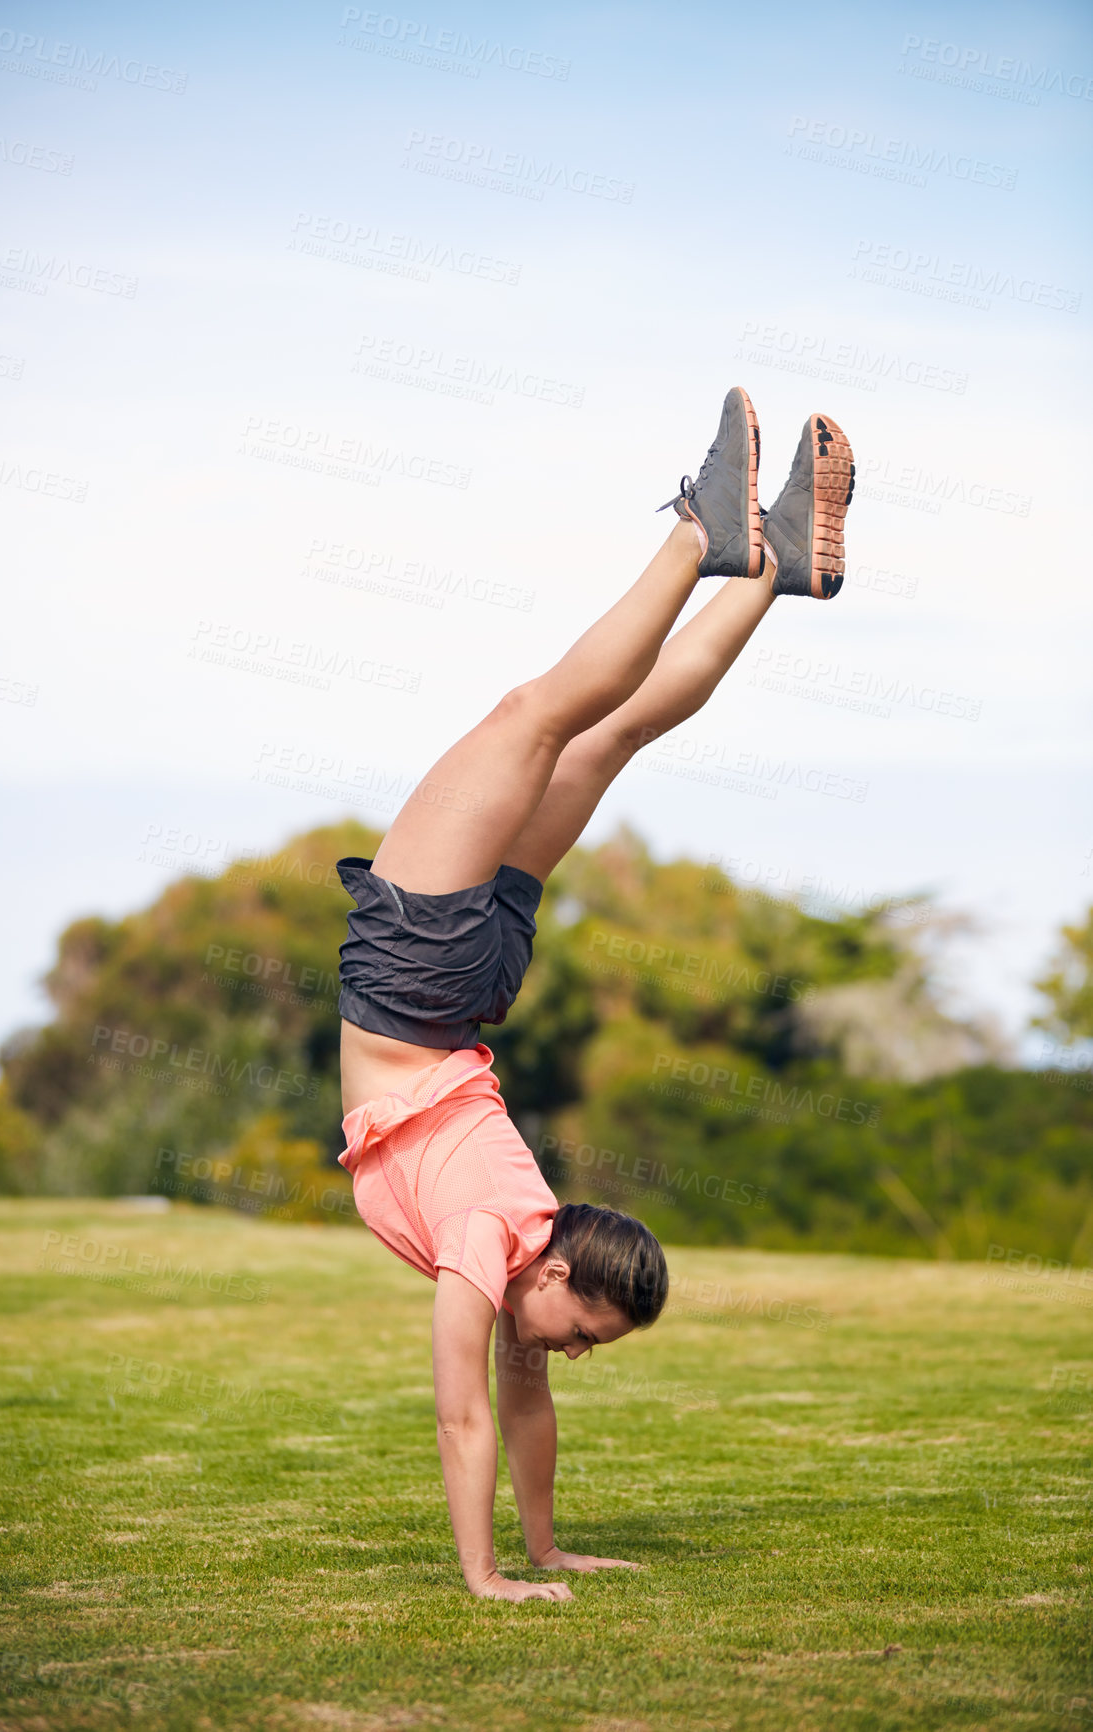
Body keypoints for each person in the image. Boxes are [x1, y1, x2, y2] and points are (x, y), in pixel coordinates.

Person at [334, 388, 855, 1601]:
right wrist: (493, 1577)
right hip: (421, 982)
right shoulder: (491, 1245)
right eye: (573, 1335)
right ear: (559, 1270)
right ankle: (702, 540)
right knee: (545, 717)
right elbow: (466, 1420)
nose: (557, 1353)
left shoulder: (518, 1245)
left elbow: (503, 1418)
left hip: (466, 992)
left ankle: (763, 575)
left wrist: (537, 1558)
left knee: (594, 737)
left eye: (573, 1350)